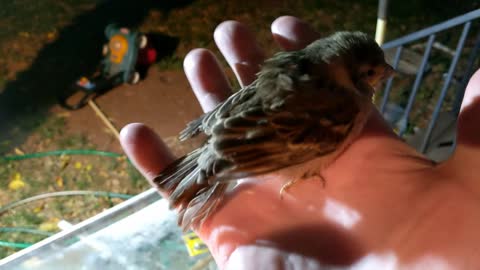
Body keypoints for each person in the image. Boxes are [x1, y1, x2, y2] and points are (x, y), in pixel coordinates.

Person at [120, 16, 480, 269]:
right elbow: (291, 148)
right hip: (248, 148)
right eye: (372, 73)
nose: (383, 75)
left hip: (228, 127)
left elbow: (248, 98)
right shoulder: (343, 106)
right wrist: (223, 167)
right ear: (350, 77)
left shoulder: (299, 64)